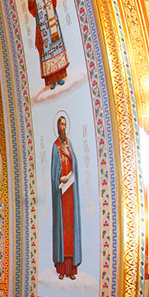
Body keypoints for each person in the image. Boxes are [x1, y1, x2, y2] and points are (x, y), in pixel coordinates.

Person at [27, 0, 69, 89]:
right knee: (45, 47)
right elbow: (29, 3)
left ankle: (61, 75)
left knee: (55, 42)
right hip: (41, 18)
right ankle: (51, 80)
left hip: (49, 12)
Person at [51, 114, 81, 280]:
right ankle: (62, 269)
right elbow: (53, 171)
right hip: (61, 195)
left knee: (72, 230)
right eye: (60, 124)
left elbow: (74, 163)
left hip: (71, 194)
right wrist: (59, 179)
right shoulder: (55, 146)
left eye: (64, 124)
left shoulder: (68, 144)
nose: (63, 127)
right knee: (62, 230)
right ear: (58, 127)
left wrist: (68, 154)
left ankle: (72, 270)